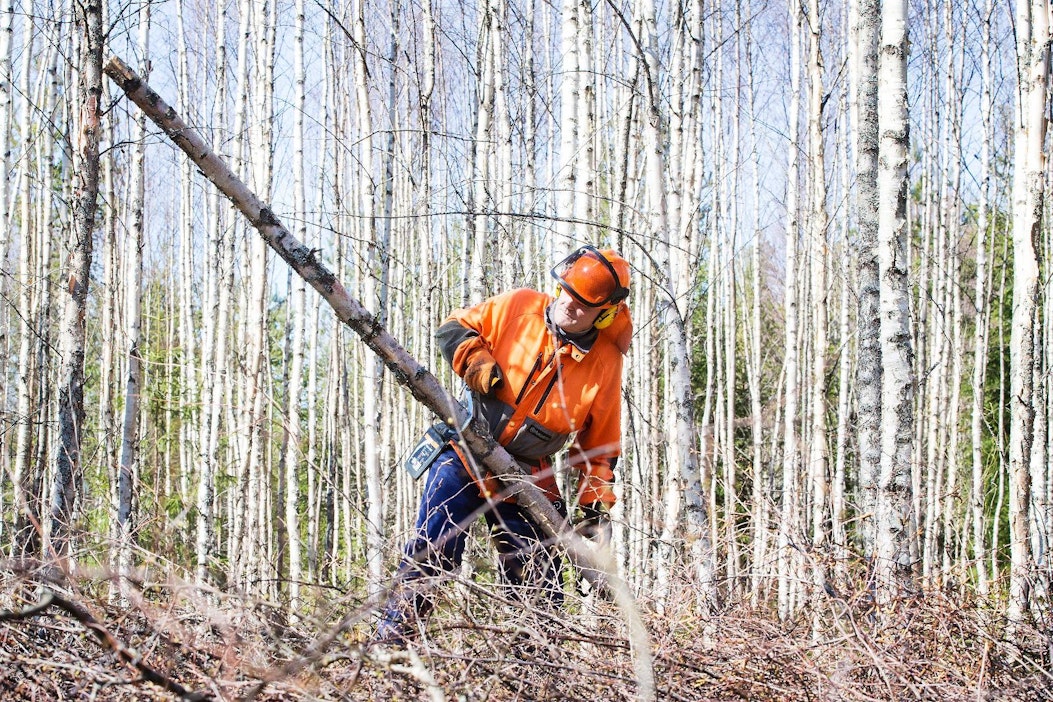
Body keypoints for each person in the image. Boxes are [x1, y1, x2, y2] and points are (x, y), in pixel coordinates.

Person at [374, 244, 633, 644]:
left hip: (530, 474)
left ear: (607, 311)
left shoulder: (605, 362)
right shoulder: (520, 305)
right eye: (568, 292)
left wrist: (592, 516)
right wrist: (477, 363)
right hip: (467, 449)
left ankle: (537, 675)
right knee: (431, 553)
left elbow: (598, 448)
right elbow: (453, 328)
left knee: (539, 584)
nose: (570, 305)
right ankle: (388, 647)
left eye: (584, 304)